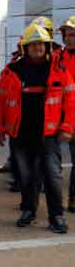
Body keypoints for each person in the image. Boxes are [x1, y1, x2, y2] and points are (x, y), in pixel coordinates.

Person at [0, 24, 73, 234]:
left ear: (47, 46)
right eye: (33, 44)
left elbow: (70, 100)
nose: (38, 47)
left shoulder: (59, 70)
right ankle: (28, 210)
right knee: (26, 176)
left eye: (41, 44)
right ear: (25, 47)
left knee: (52, 175)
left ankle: (57, 216)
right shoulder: (12, 71)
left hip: (48, 133)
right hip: (21, 133)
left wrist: (67, 127)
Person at [59, 16, 75, 212]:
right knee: (51, 163)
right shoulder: (56, 58)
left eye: (73, 35)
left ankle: (73, 199)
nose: (69, 38)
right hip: (56, 116)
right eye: (67, 34)